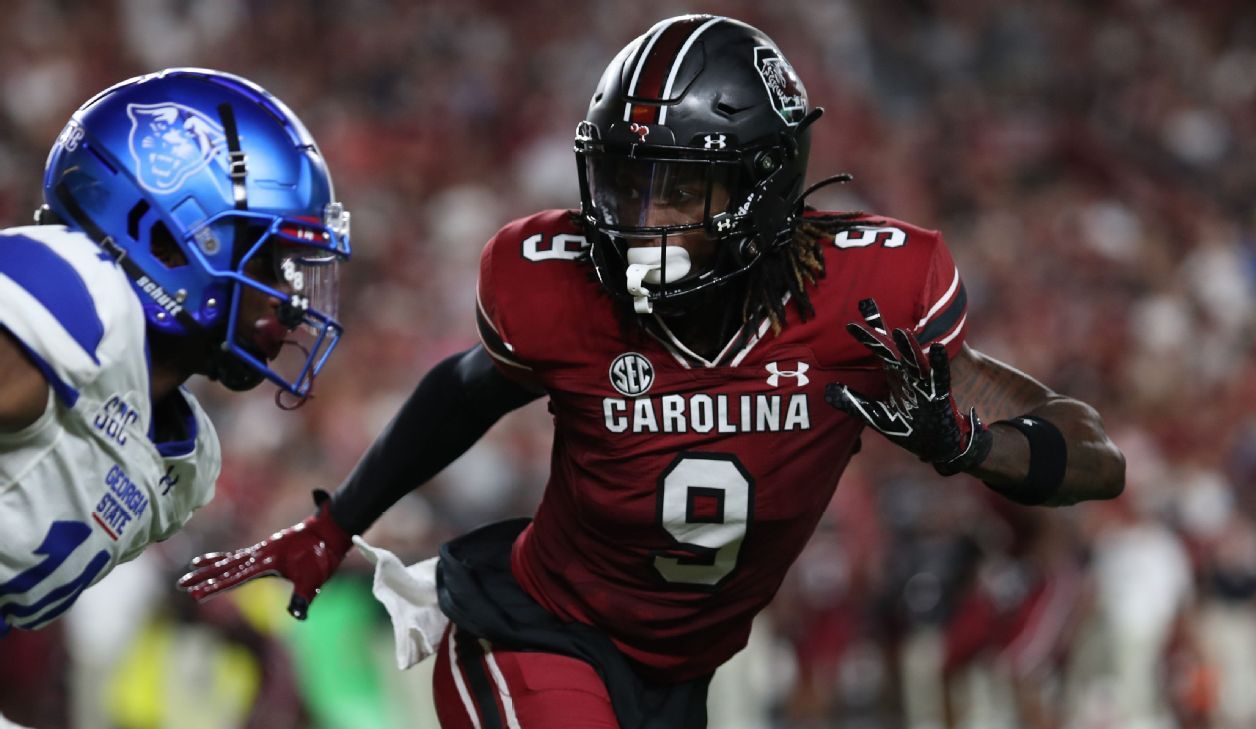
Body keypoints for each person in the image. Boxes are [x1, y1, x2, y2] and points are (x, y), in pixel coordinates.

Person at [179, 15, 1124, 729]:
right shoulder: (557, 285)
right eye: (627, 181)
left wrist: (969, 445)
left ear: (763, 187)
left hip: (682, 674)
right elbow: (469, 388)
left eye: (678, 186)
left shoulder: (869, 298)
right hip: (535, 632)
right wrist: (339, 519)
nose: (639, 214)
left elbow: (1091, 454)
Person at [0, 68, 352, 633]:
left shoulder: (184, 464)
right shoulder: (69, 294)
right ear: (164, 239)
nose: (287, 300)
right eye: (269, 262)